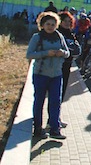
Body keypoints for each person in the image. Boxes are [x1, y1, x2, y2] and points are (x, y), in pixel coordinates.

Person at [26, 11, 70, 139]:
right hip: (40, 74)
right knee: (39, 101)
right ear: (42, 25)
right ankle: (38, 129)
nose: (50, 26)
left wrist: (61, 53)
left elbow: (67, 53)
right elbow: (29, 55)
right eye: (48, 24)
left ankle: (55, 129)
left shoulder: (59, 36)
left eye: (53, 24)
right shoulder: (37, 37)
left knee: (55, 102)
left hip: (56, 74)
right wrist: (46, 53)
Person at [57, 11, 81, 116]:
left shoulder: (71, 34)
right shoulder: (57, 33)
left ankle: (56, 117)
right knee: (55, 93)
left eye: (69, 21)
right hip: (56, 67)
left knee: (62, 92)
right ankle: (52, 119)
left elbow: (76, 50)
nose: (67, 23)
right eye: (64, 21)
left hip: (67, 65)